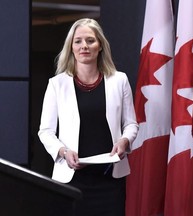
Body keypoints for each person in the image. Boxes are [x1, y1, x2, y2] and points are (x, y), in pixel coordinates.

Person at [38, 18, 139, 216]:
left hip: (110, 178)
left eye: (90, 40)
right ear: (71, 47)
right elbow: (46, 131)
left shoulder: (119, 80)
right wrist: (63, 151)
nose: (84, 46)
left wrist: (125, 140)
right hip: (72, 179)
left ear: (100, 46)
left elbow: (131, 124)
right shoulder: (57, 84)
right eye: (78, 41)